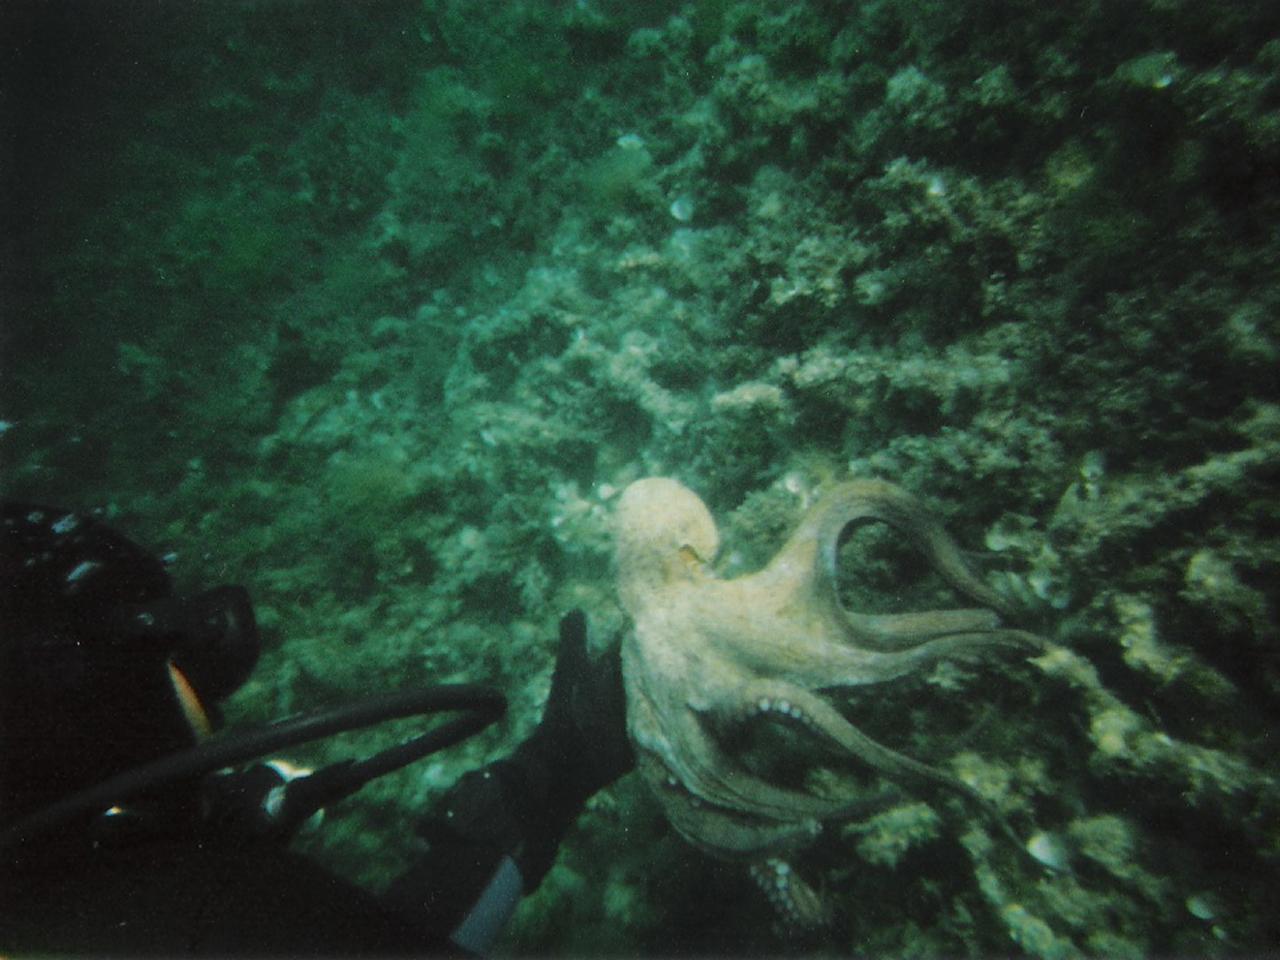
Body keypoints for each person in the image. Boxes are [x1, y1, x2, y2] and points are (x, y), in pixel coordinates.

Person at [0, 500, 634, 956]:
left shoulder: (48, 880)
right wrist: (546, 779)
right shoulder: (189, 925)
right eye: (160, 639)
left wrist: (197, 823)